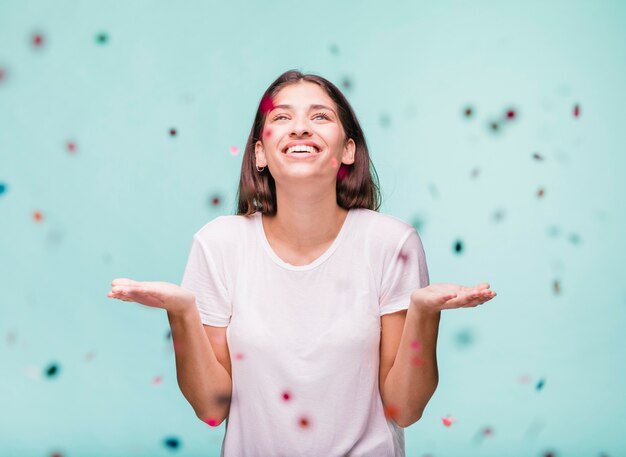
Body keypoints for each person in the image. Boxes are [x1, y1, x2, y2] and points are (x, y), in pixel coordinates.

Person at [107, 69, 496, 457]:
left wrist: (424, 312)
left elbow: (405, 409)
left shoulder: (391, 243)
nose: (300, 128)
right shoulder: (219, 243)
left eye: (320, 116)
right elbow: (211, 409)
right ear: (260, 152)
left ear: (348, 150)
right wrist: (182, 312)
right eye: (281, 117)